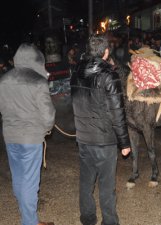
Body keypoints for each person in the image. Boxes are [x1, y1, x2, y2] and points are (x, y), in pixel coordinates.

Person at [70, 35, 131, 225]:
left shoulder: (76, 72)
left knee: (86, 182)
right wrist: (125, 143)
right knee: (107, 184)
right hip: (104, 140)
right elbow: (117, 111)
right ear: (105, 51)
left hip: (83, 137)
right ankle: (110, 222)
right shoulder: (109, 75)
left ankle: (88, 219)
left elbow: (76, 102)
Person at [0, 43, 56, 225]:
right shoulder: (38, 81)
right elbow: (48, 115)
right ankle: (29, 222)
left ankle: (28, 217)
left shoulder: (3, 79)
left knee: (18, 178)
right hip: (31, 138)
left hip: (10, 136)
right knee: (31, 183)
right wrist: (46, 128)